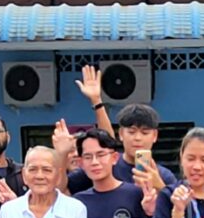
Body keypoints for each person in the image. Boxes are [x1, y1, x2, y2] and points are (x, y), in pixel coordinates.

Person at [64, 66, 176, 195]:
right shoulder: (107, 165)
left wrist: (160, 186)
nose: (137, 138)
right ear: (121, 134)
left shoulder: (165, 176)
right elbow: (62, 188)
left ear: (155, 136)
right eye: (131, 132)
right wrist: (96, 101)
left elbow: (178, 205)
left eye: (145, 133)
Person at [72, 128, 153, 218]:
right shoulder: (77, 202)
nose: (94, 162)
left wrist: (150, 213)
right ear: (81, 163)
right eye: (88, 157)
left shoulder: (136, 194)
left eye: (101, 155)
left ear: (114, 158)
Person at [0, 147, 87, 218]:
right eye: (33, 169)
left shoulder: (75, 209)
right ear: (24, 175)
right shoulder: (9, 211)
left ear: (58, 176)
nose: (39, 176)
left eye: (47, 170)